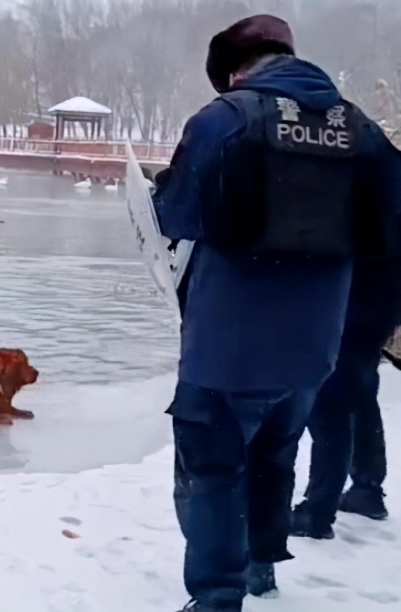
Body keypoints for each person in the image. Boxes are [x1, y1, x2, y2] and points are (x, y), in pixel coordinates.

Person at [151, 14, 400, 612]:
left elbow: (174, 217)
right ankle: (260, 569)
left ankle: (216, 597)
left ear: (235, 70)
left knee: (211, 473)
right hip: (314, 347)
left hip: (226, 346)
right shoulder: (361, 132)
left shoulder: (224, 120)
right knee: (274, 457)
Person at [291, 258, 401, 538]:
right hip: (378, 295)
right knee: (360, 393)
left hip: (349, 295)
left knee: (331, 407)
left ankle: (318, 510)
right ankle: (366, 486)